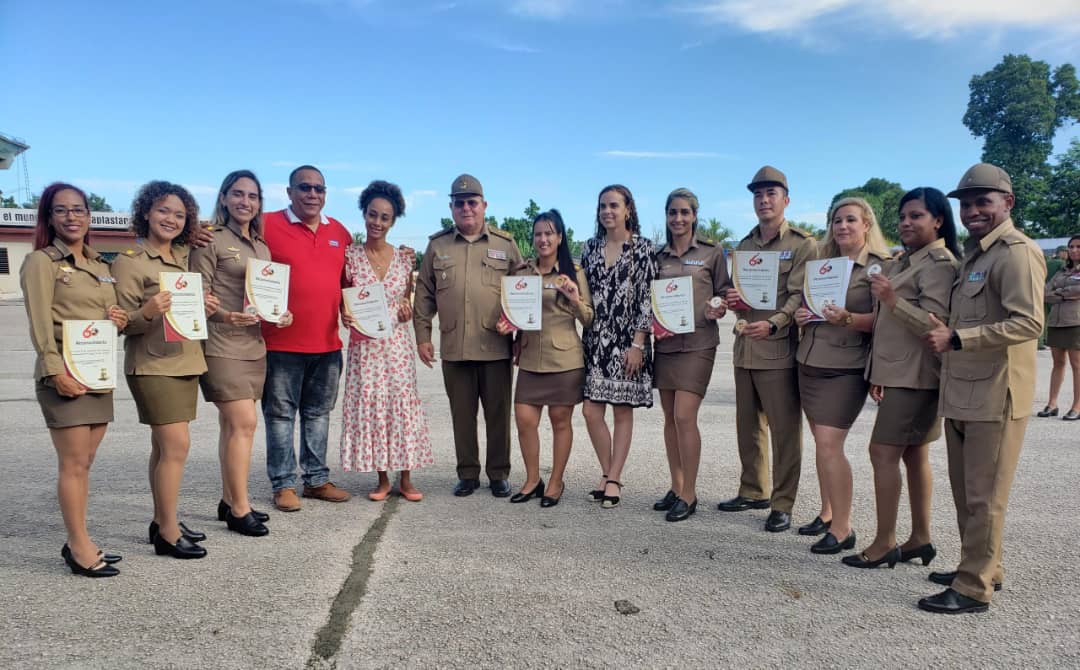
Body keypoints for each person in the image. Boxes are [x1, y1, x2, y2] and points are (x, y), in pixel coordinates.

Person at [920, 163, 1045, 614]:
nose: (973, 211)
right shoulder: (976, 255)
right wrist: (950, 329)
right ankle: (982, 566)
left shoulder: (1016, 253)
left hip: (996, 394)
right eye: (967, 204)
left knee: (984, 496)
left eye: (983, 202)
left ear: (1007, 203)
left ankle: (973, 588)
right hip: (965, 390)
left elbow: (1029, 322)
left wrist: (958, 338)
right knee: (967, 492)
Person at [843, 187, 960, 570]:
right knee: (913, 454)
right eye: (903, 216)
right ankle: (920, 538)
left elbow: (934, 324)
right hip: (900, 372)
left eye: (916, 216)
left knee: (882, 453)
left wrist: (893, 299)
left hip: (917, 375)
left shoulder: (939, 264)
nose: (906, 223)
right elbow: (889, 328)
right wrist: (880, 371)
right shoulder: (910, 260)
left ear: (938, 220)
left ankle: (884, 542)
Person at [21, 183, 129, 577]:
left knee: (85, 462)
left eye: (79, 209)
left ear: (89, 215)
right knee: (73, 463)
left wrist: (117, 321)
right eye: (62, 210)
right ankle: (80, 546)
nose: (72, 217)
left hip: (96, 373)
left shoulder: (101, 266)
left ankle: (79, 538)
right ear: (49, 217)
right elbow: (38, 323)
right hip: (64, 375)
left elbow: (102, 322)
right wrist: (54, 371)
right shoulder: (41, 262)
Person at [113, 181, 215, 559]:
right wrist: (148, 312)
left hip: (186, 359)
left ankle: (162, 519)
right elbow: (123, 322)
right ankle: (168, 534)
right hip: (153, 364)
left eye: (179, 214)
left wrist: (202, 306)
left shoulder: (183, 258)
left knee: (162, 447)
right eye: (163, 211)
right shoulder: (129, 261)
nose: (170, 219)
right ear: (145, 213)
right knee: (176, 446)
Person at [191, 170, 292, 537]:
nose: (244, 202)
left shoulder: (262, 247)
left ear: (259, 203)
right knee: (245, 423)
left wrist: (280, 313)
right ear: (223, 198)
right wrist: (220, 314)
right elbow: (196, 295)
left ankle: (227, 498)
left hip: (253, 346)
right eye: (237, 194)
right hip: (221, 345)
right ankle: (240, 507)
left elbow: (264, 297)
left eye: (252, 196)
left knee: (231, 427)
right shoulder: (208, 240)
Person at [719, 166, 816, 533]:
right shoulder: (744, 246)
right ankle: (753, 489)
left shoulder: (802, 244)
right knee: (748, 426)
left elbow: (799, 295)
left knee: (784, 430)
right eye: (758, 194)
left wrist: (775, 322)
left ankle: (782, 502)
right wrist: (732, 300)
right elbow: (740, 295)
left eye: (771, 193)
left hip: (777, 346)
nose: (763, 200)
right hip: (746, 343)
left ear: (785, 200)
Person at [414, 174, 522, 497]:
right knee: (462, 415)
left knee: (499, 415)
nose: (466, 208)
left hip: (495, 347)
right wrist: (422, 336)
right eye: (459, 203)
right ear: (451, 207)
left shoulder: (505, 245)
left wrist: (517, 328)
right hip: (455, 347)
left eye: (472, 202)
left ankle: (499, 473)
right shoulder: (438, 246)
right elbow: (424, 294)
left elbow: (522, 291)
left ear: (484, 205)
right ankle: (468, 473)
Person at [793, 198, 889, 554]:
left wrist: (847, 318)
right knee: (822, 445)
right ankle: (827, 512)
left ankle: (844, 527)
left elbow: (885, 320)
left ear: (866, 224)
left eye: (851, 220)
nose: (843, 226)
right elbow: (811, 306)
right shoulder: (824, 266)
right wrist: (804, 315)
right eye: (837, 220)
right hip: (811, 360)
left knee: (831, 445)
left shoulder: (880, 267)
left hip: (846, 368)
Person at [261, 165, 354, 512]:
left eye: (319, 189)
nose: (312, 194)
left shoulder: (339, 233)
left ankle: (316, 479)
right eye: (305, 187)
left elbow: (351, 284)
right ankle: (283, 483)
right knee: (280, 416)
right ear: (289, 192)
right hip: (280, 343)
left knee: (318, 414)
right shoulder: (266, 224)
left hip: (327, 344)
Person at [340, 180, 434, 502]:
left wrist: (406, 310)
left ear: (394, 221)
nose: (377, 223)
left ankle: (406, 479)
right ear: (364, 214)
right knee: (374, 408)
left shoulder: (405, 259)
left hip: (396, 346)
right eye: (372, 214)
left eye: (385, 217)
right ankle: (382, 479)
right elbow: (342, 298)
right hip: (365, 347)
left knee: (401, 407)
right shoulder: (350, 256)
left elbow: (405, 298)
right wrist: (345, 314)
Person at [498, 209, 594, 508]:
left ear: (560, 237)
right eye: (538, 234)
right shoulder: (522, 273)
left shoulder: (573, 272)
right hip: (530, 358)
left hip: (564, 359)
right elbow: (515, 313)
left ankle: (556, 481)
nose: (543, 239)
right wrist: (508, 328)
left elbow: (589, 318)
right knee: (525, 420)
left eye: (549, 233)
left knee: (560, 420)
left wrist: (575, 298)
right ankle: (532, 478)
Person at [652, 188, 729, 522]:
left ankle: (690, 493)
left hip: (699, 343)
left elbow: (724, 292)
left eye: (684, 212)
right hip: (666, 345)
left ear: (694, 215)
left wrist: (719, 306)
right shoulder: (658, 257)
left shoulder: (712, 253)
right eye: (672, 212)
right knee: (669, 419)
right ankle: (676, 484)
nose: (678, 219)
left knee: (685, 416)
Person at [580, 185, 656, 508]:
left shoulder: (643, 248)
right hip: (596, 340)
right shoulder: (590, 248)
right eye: (602, 206)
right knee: (590, 411)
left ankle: (613, 478)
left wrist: (638, 343)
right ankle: (608, 471)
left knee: (622, 411)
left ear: (628, 209)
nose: (607, 211)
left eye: (614, 205)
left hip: (629, 341)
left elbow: (647, 299)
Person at [1039, 235, 1080, 420]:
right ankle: (1052, 404)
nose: (1074, 250)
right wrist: (1065, 294)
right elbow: (1045, 293)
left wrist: (1059, 293)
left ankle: (1077, 406)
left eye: (1078, 247)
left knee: (1077, 365)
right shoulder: (1062, 271)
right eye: (1071, 246)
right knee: (1058, 363)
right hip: (1056, 321)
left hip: (1075, 322)